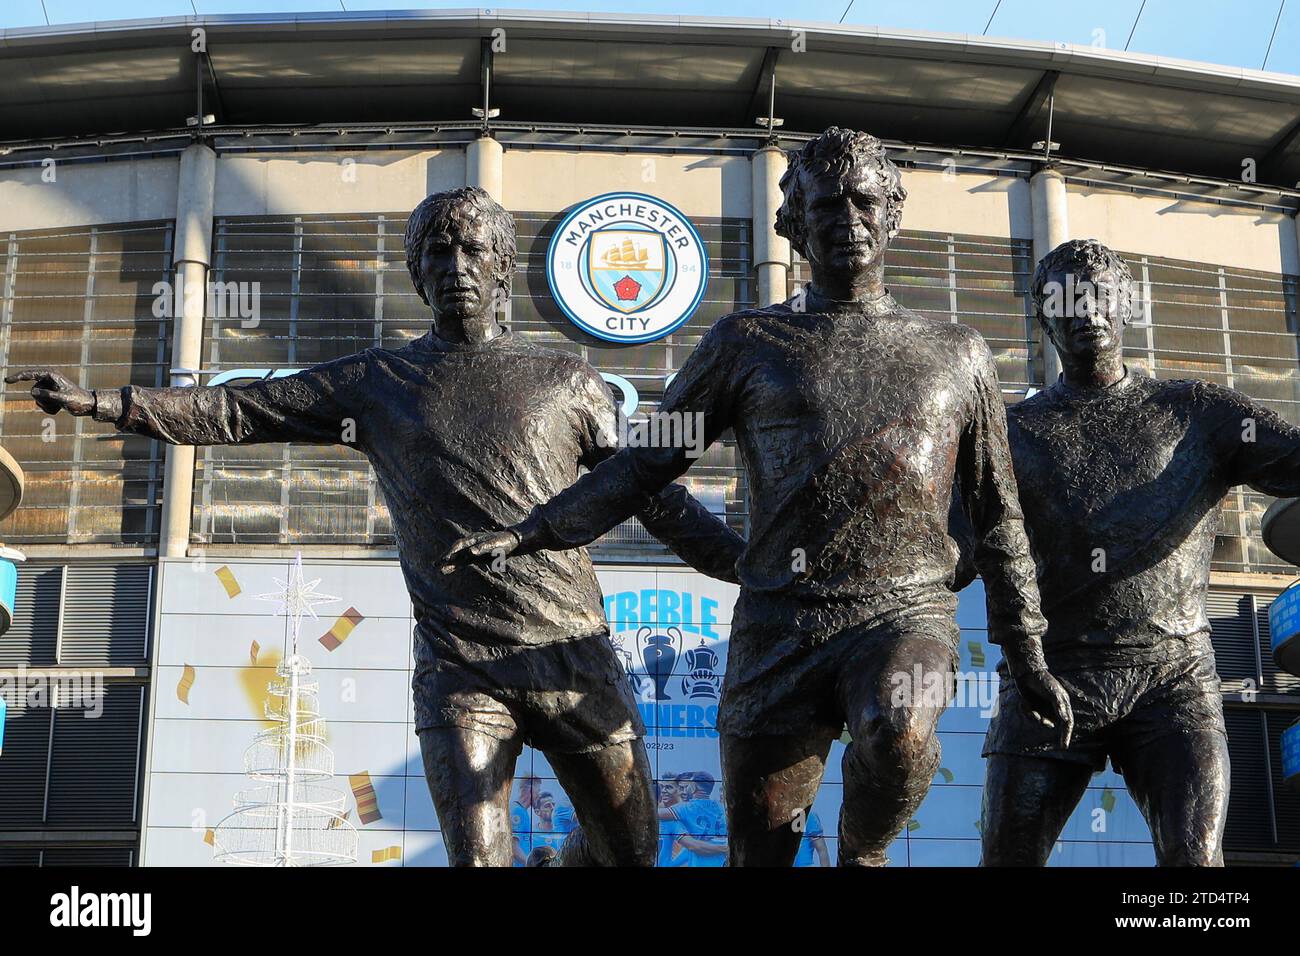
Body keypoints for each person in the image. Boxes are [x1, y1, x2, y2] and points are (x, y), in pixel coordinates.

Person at [7, 186, 745, 868]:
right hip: (462, 670)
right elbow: (238, 411)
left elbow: (649, 493)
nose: (455, 266)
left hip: (570, 654)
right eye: (437, 253)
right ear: (418, 276)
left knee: (632, 852)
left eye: (472, 251)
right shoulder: (378, 382)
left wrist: (746, 563)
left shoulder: (569, 381)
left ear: (500, 268)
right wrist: (106, 403)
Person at [443, 128, 1073, 866]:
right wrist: (537, 531)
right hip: (781, 623)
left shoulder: (957, 351)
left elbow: (997, 512)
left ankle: (863, 851)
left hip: (904, 610)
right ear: (794, 223)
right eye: (826, 205)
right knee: (762, 850)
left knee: (900, 728)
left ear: (893, 215)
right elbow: (644, 463)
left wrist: (1026, 650)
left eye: (865, 201)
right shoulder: (746, 342)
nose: (848, 220)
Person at [979, 238, 1300, 866]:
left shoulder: (1197, 414)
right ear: (1043, 318)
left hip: (1172, 677)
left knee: (1194, 868)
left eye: (1098, 294)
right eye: (1063, 300)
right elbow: (960, 551)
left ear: (1126, 304)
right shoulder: (1012, 435)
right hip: (1051, 675)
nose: (1084, 311)